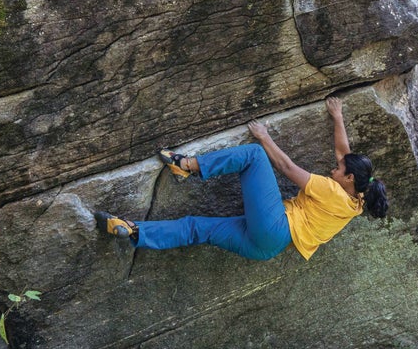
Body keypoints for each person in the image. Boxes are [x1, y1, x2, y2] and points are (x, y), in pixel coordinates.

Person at [95, 97, 389, 261]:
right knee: (197, 228)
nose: (332, 170)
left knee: (253, 156)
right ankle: (133, 232)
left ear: (349, 179)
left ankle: (186, 165)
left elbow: (286, 167)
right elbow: (344, 155)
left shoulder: (330, 189)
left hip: (276, 227)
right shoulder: (357, 200)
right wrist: (337, 117)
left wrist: (264, 136)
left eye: (338, 171)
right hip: (266, 248)